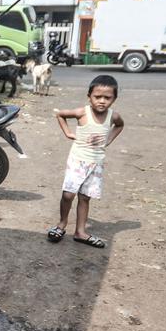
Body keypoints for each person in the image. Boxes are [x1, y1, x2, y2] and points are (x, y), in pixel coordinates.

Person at [47, 75, 124, 248]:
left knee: (85, 197)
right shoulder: (82, 112)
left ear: (114, 99)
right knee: (68, 195)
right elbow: (60, 114)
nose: (102, 101)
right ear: (89, 96)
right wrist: (67, 133)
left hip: (96, 163)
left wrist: (109, 140)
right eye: (97, 97)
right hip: (78, 161)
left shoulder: (113, 116)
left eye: (107, 98)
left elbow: (120, 125)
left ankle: (80, 232)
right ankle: (61, 224)